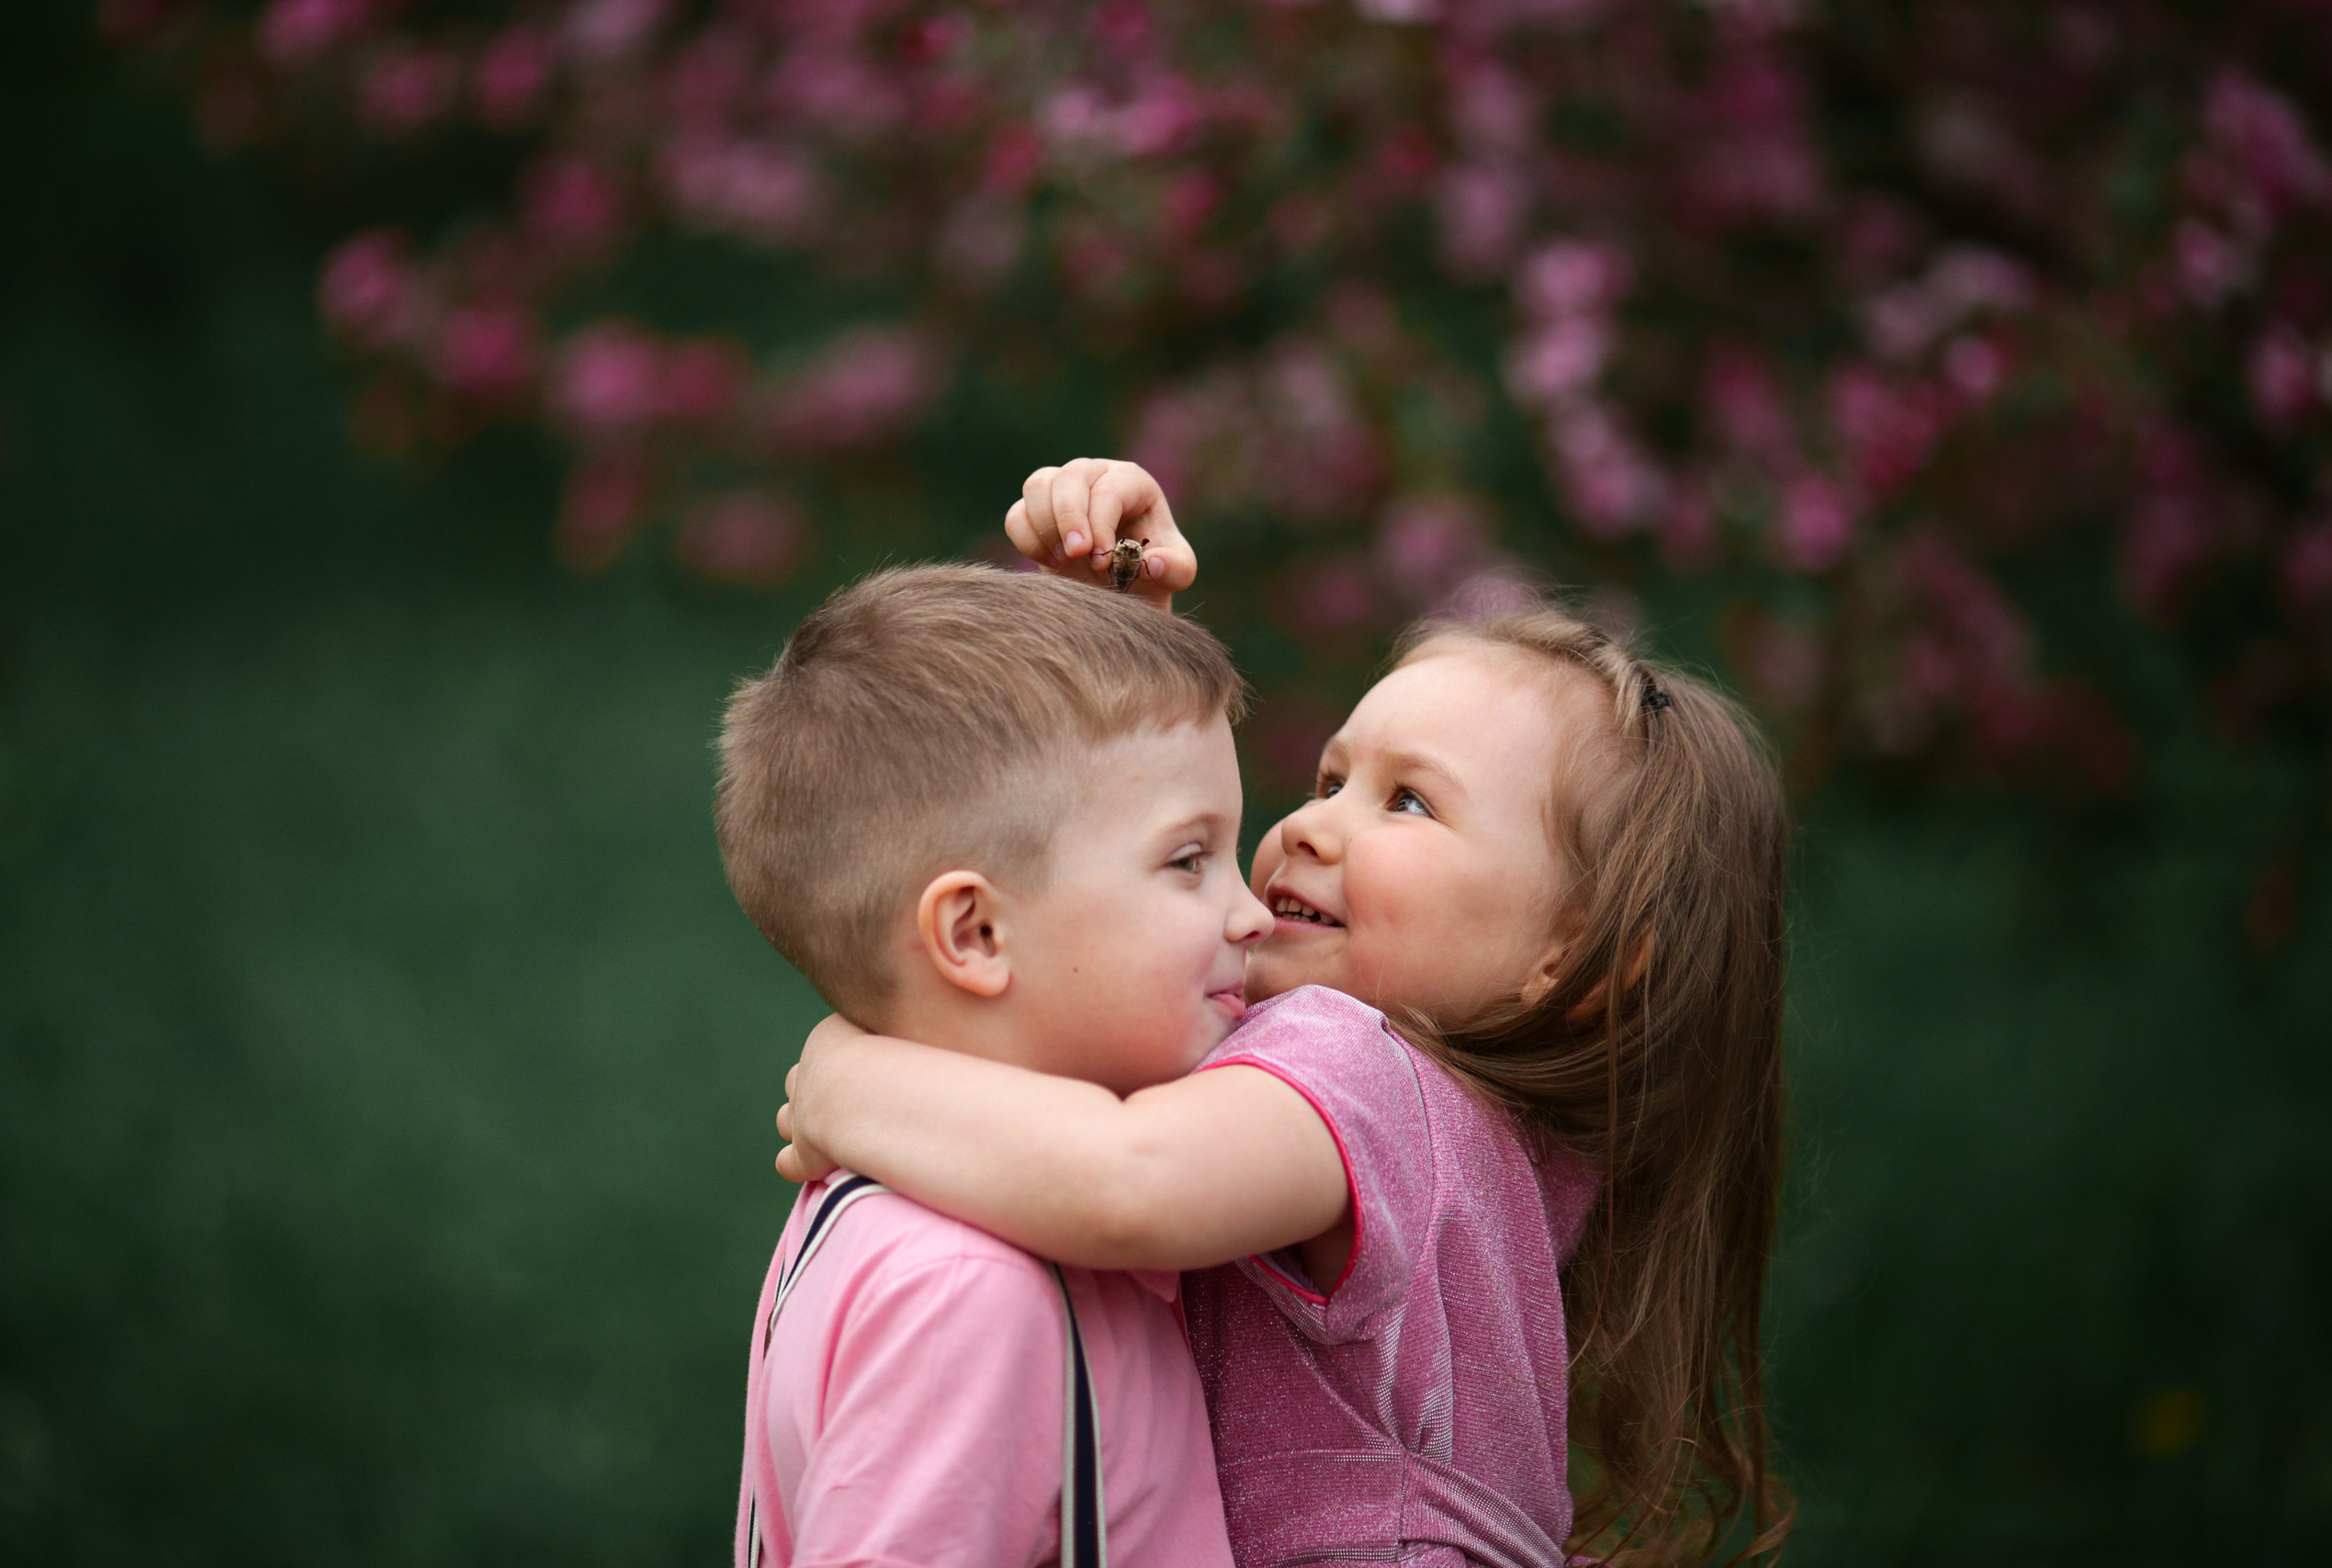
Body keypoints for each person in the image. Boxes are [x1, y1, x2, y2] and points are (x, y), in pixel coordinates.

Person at [776, 461, 1796, 1566]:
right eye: (1326, 779)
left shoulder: (1365, 1073)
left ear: (1575, 960)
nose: (1311, 827)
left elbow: (1127, 1183)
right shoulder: (1492, 1143)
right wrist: (1122, 640)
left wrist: (849, 1080)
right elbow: (1120, 1000)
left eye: (1408, 801)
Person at [717, 560, 1265, 1568]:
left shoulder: (973, 1207)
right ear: (971, 932)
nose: (1251, 912)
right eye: (1189, 861)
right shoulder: (969, 1288)